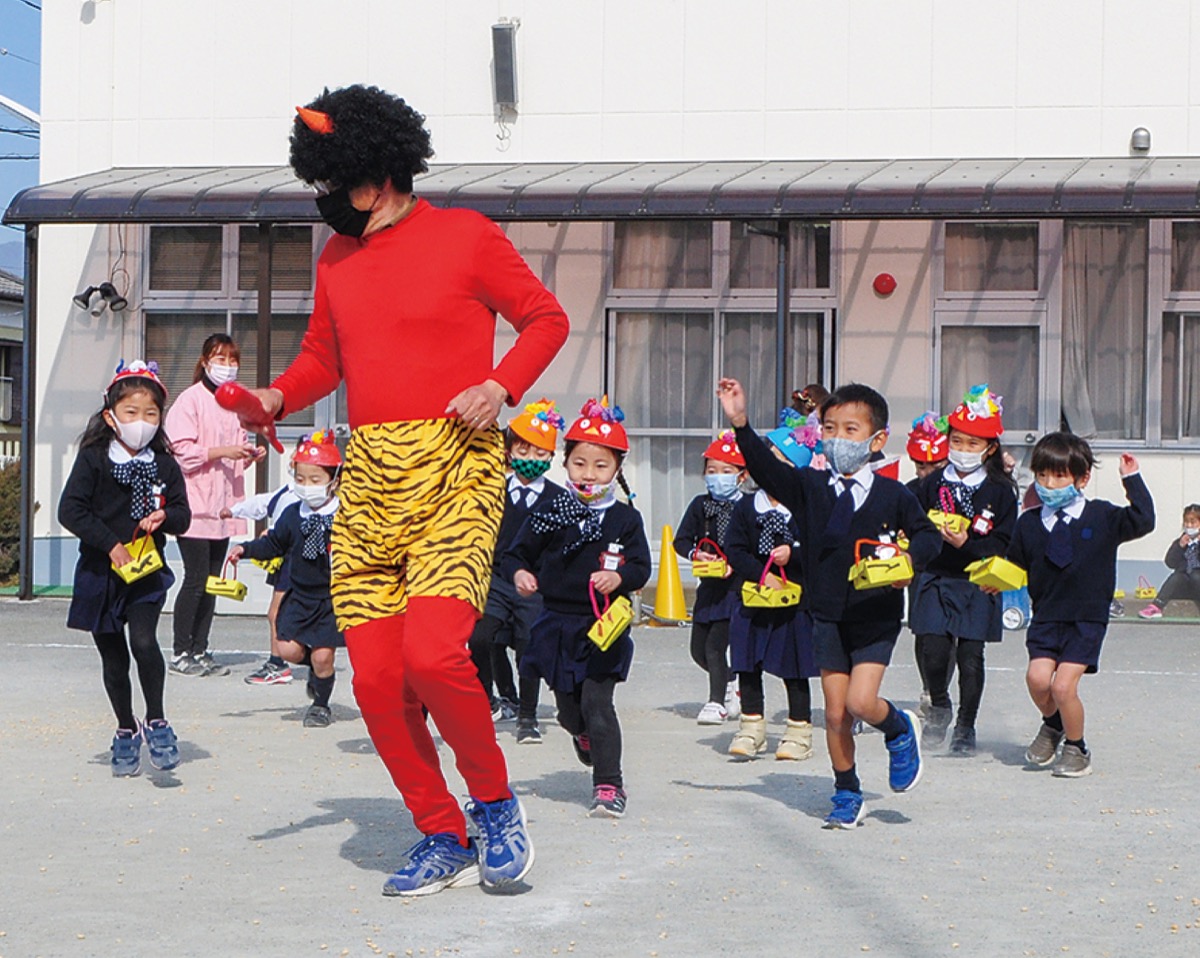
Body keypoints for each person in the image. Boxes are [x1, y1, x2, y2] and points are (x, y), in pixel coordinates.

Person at [239, 85, 568, 896]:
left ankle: (493, 804)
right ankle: (439, 831)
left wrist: (500, 386)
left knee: (433, 655)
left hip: (458, 465)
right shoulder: (337, 259)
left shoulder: (465, 235)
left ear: (378, 173)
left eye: (335, 185)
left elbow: (544, 318)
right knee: (379, 679)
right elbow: (326, 355)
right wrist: (279, 397)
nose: (327, 204)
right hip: (373, 478)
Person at [718, 378, 941, 829]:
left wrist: (907, 559)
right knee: (836, 715)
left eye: (851, 430)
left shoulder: (893, 494)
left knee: (861, 702)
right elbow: (766, 468)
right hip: (825, 615)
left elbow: (928, 537)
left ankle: (899, 729)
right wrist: (741, 424)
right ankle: (846, 790)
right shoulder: (810, 487)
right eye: (831, 429)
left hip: (874, 614)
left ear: (877, 440)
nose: (839, 439)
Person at [504, 399, 651, 818]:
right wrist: (520, 575)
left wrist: (619, 579)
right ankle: (581, 735)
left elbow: (641, 566)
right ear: (564, 464)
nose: (589, 474)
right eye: (580, 463)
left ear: (617, 469)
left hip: (605, 623)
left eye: (601, 466)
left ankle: (609, 785)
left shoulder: (625, 519)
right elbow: (516, 555)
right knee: (570, 710)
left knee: (598, 703)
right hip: (555, 622)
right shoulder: (550, 510)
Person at [58, 361, 191, 776]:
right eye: (131, 412)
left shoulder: (164, 464)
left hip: (146, 573)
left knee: (146, 643)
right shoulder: (95, 459)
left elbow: (184, 516)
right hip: (100, 574)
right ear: (111, 415)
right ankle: (125, 728)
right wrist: (111, 546)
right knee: (113, 660)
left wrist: (163, 518)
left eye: (151, 414)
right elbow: (70, 510)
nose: (141, 422)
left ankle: (157, 720)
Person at [997, 433, 1154, 777]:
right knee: (1038, 680)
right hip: (1046, 617)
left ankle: (1076, 747)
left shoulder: (1103, 517)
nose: (1049, 484)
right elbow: (1013, 564)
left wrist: (1132, 478)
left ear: (1082, 479)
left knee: (1063, 686)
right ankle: (1053, 725)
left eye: (1060, 476)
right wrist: (993, 582)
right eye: (1042, 476)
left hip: (1086, 619)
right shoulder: (1029, 523)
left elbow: (1144, 520)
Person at [909, 387, 1018, 756]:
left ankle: (966, 726)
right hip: (936, 577)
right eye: (957, 441)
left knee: (971, 657)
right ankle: (939, 704)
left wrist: (965, 545)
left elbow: (1004, 542)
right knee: (934, 652)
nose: (963, 449)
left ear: (989, 449)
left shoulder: (1001, 492)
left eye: (974, 443)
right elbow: (911, 528)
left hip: (978, 581)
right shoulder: (929, 485)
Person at [165, 333, 263, 677]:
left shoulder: (234, 404)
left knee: (210, 581)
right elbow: (181, 453)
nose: (227, 367)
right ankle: (180, 651)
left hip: (222, 508)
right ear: (205, 362)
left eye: (232, 360)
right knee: (194, 579)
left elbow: (237, 448)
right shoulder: (189, 401)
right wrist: (223, 452)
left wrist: (249, 455)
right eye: (220, 359)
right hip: (193, 506)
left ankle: (200, 648)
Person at [229, 432, 343, 727]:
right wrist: (246, 549)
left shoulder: (345, 515)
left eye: (316, 480)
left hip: (331, 598)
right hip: (299, 593)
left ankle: (320, 704)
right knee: (287, 649)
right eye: (301, 479)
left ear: (334, 481)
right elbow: (275, 543)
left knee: (322, 657)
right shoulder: (293, 514)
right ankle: (317, 671)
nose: (307, 487)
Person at [468, 399, 565, 743]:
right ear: (508, 451)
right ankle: (487, 699)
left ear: (552, 458)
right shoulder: (494, 491)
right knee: (478, 637)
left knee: (528, 646)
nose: (531, 459)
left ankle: (528, 715)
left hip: (534, 587)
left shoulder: (558, 499)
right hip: (494, 580)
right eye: (524, 450)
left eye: (541, 454)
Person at [723, 459, 817, 761]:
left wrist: (794, 554)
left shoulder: (806, 507)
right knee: (747, 664)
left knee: (795, 667)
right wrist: (763, 575)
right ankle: (751, 728)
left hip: (795, 602)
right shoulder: (747, 507)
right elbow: (734, 549)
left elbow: (822, 547)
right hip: (752, 597)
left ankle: (799, 731)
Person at [673, 430, 747, 725]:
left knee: (716, 646)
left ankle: (716, 703)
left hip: (737, 589)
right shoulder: (699, 505)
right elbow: (680, 540)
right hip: (709, 586)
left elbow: (757, 545)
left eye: (727, 471)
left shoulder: (749, 506)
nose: (718, 477)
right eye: (712, 471)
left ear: (742, 476)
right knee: (698, 650)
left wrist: (737, 563)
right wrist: (696, 554)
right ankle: (732, 683)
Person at [221, 477, 300, 685]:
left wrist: (273, 534)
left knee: (277, 613)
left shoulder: (307, 498)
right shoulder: (288, 490)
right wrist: (235, 510)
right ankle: (283, 661)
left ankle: (279, 663)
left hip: (295, 560)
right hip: (285, 559)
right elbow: (262, 502)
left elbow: (291, 529)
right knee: (278, 613)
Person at [904, 411, 950, 717]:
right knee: (923, 631)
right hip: (923, 567)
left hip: (955, 566)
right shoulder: (909, 491)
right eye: (922, 465)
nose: (928, 471)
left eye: (936, 465)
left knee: (950, 636)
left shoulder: (956, 489)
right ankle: (929, 688)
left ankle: (941, 690)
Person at [1137, 503, 1200, 619]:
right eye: (1186, 522)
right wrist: (1180, 546)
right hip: (1184, 586)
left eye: (1193, 522)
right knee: (1177, 576)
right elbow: (1170, 563)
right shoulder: (1181, 542)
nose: (1189, 526)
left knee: (1196, 575)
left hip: (1198, 585)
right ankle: (1157, 606)